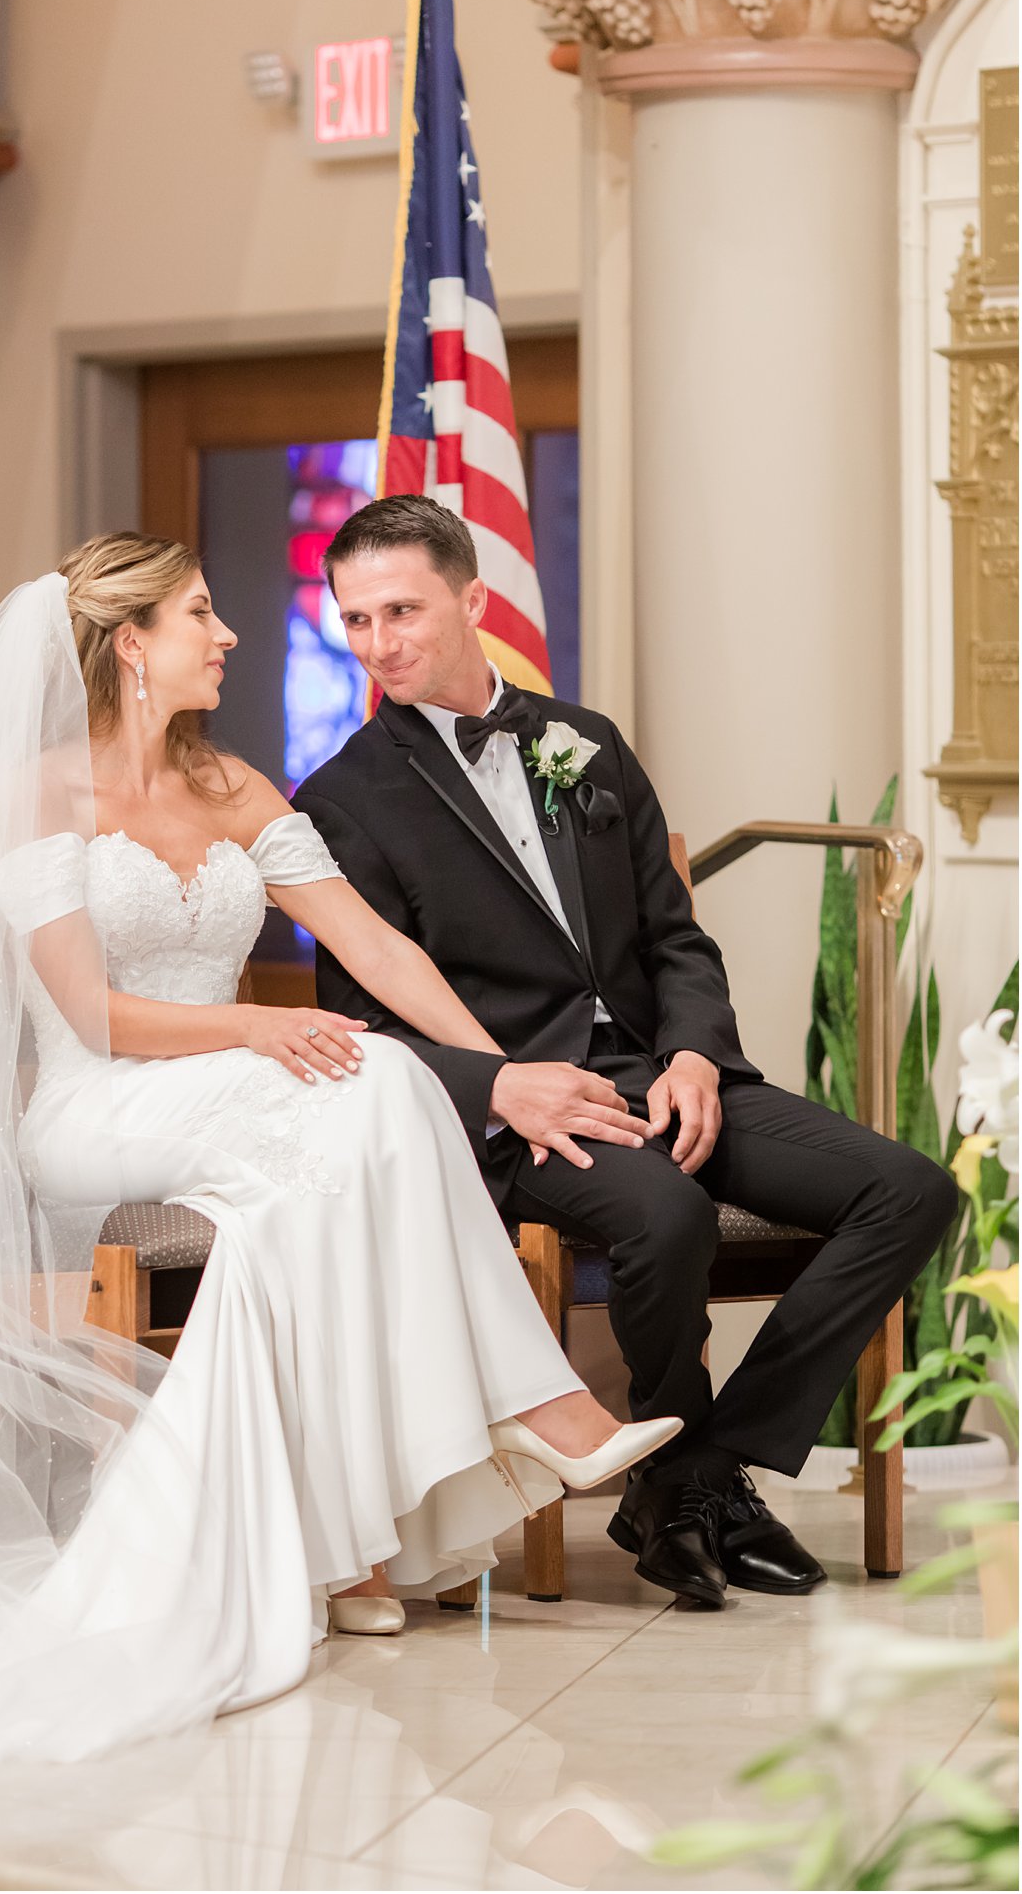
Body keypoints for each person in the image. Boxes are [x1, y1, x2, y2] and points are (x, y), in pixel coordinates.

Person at [0, 535, 678, 1836]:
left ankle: (352, 1538)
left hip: (229, 1093)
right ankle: (515, 1428)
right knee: (362, 1096)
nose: (229, 634)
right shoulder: (40, 798)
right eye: (202, 614)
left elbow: (374, 947)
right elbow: (92, 1010)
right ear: (132, 643)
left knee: (378, 1109)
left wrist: (503, 1072)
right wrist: (256, 1030)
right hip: (96, 1107)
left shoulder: (236, 784)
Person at [295, 494, 958, 1610]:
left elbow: (672, 935)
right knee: (665, 1214)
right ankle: (698, 1486)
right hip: (521, 1107)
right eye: (354, 620)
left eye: (400, 610)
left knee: (909, 1190)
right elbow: (373, 1029)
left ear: (471, 598)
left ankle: (693, 1471)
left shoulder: (584, 741)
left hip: (669, 1076)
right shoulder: (340, 802)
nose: (377, 643)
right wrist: (506, 1086)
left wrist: (696, 1054)